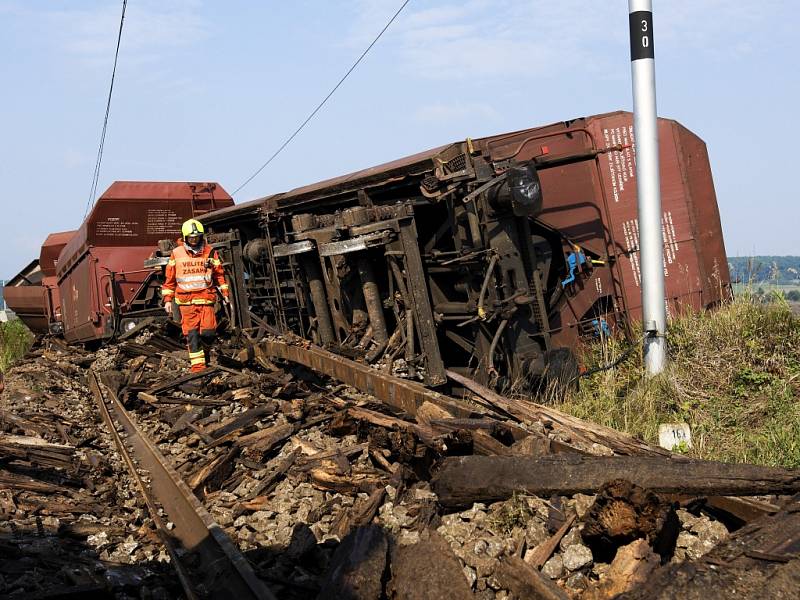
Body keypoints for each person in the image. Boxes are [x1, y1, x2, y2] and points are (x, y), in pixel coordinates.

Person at [161, 219, 230, 372]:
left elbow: (219, 275)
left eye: (197, 237)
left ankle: (205, 354)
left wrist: (225, 293)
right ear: (185, 237)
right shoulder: (176, 254)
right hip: (186, 303)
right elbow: (170, 280)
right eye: (191, 237)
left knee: (208, 332)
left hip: (206, 299)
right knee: (192, 335)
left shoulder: (210, 252)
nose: (194, 240)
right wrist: (167, 300)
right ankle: (198, 368)